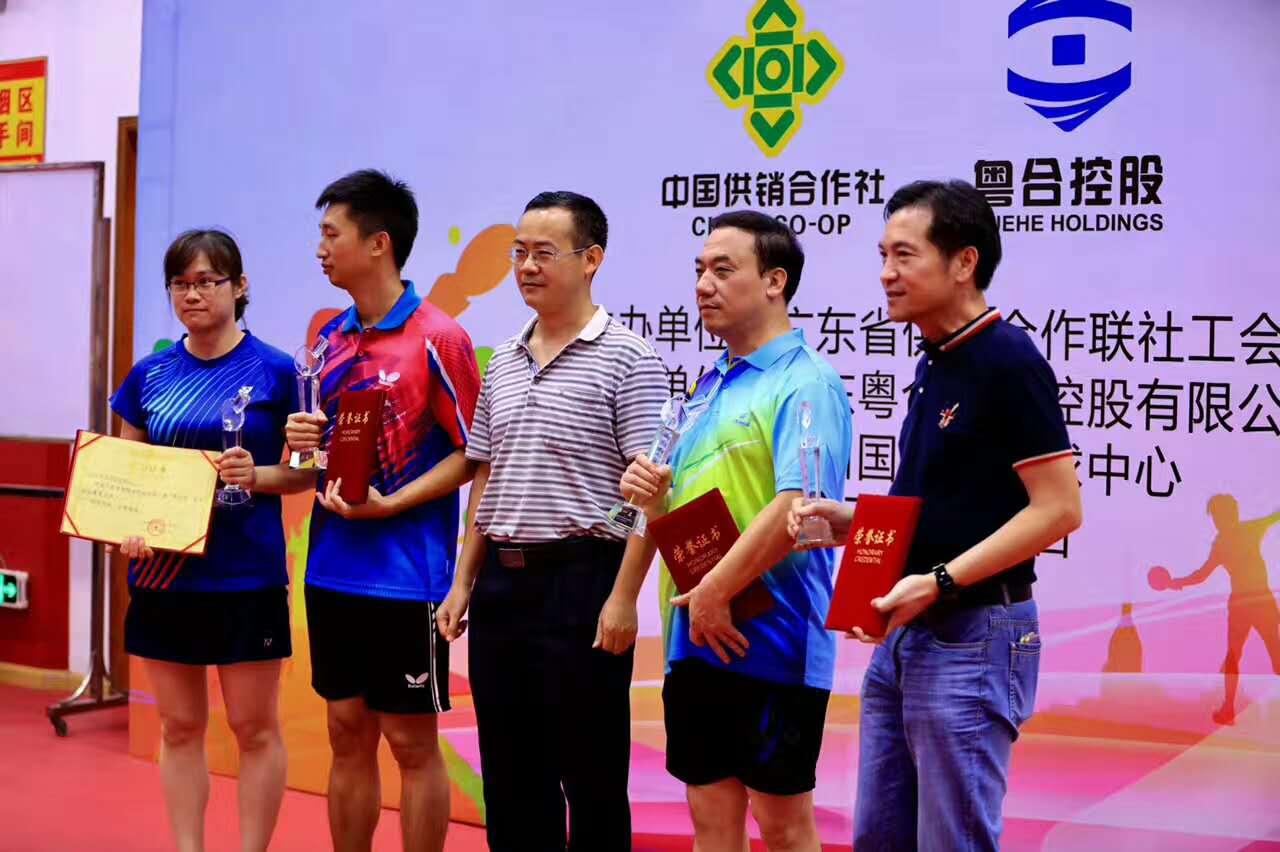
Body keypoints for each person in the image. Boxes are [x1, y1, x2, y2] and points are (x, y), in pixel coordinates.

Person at [790, 179, 1083, 851]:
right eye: (882, 256)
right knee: (880, 838)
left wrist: (942, 580)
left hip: (975, 634)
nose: (886, 274)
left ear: (963, 262)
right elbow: (950, 505)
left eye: (905, 255)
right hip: (908, 632)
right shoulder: (936, 362)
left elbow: (1059, 509)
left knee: (953, 840)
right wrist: (850, 522)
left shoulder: (1007, 360)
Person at [435, 191, 667, 852]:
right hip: (502, 589)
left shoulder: (630, 358)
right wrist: (463, 583)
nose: (527, 266)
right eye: (519, 252)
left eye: (544, 252)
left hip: (583, 583)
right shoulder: (504, 359)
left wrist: (623, 598)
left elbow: (653, 494)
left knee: (590, 776)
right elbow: (487, 474)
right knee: (511, 776)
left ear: (591, 259)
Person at [620, 210, 852, 852]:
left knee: (783, 827)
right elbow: (678, 516)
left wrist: (717, 589)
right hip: (697, 637)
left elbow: (799, 509)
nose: (703, 285)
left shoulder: (806, 382)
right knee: (711, 822)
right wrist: (653, 500)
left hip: (774, 642)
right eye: (699, 270)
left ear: (775, 281)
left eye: (723, 270)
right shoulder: (705, 388)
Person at [284, 169, 481, 852]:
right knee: (345, 732)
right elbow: (312, 462)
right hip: (331, 568)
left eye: (330, 233)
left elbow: (473, 453)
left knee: (409, 741)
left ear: (378, 243)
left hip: (407, 578)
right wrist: (301, 445)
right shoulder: (328, 341)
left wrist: (392, 501)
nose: (320, 249)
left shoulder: (439, 337)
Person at [114, 228, 312, 852]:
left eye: (206, 281)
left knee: (254, 729)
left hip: (246, 575)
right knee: (178, 727)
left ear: (239, 286)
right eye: (180, 284)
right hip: (163, 576)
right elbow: (126, 474)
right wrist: (127, 526)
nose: (192, 295)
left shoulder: (278, 371)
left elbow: (306, 472)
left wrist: (257, 476)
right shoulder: (149, 374)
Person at [1163, 495, 1280, 725]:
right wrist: (1178, 582)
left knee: (1271, 659)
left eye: (1219, 516)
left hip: (1256, 603)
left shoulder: (1242, 534)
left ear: (1231, 514)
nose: (1216, 521)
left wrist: (1177, 582)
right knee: (1235, 657)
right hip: (1245, 605)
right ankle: (1228, 708)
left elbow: (1274, 516)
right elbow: (1202, 574)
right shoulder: (1230, 540)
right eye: (1215, 517)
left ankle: (1228, 709)